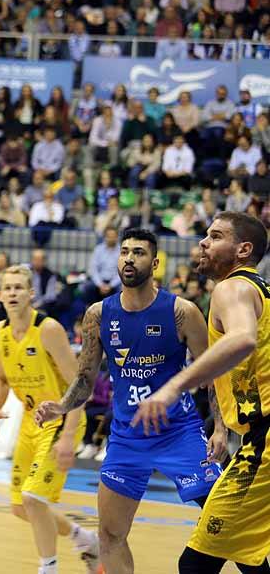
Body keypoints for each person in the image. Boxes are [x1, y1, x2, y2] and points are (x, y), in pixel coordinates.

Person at [35, 228, 228, 574]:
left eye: (138, 253)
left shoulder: (181, 312)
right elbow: (85, 378)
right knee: (109, 534)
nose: (128, 258)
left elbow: (212, 373)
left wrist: (220, 429)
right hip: (127, 439)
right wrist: (61, 406)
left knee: (225, 519)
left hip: (179, 433)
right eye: (124, 251)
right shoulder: (98, 314)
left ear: (154, 263)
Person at [132, 213, 270, 573]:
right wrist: (222, 428)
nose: (203, 242)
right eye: (205, 235)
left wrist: (173, 387)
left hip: (264, 442)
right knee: (245, 554)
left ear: (243, 249)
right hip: (255, 435)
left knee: (196, 564)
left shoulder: (233, 288)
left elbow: (242, 339)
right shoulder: (261, 291)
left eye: (216, 236)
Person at [0, 265, 99, 574]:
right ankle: (86, 540)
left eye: (18, 288)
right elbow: (1, 379)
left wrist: (68, 436)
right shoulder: (1, 332)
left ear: (31, 294)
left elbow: (80, 384)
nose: (12, 293)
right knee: (21, 507)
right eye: (7, 288)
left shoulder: (48, 329)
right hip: (28, 422)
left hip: (60, 418)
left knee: (33, 497)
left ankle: (47, 568)